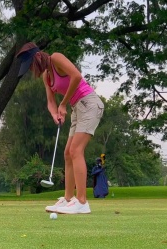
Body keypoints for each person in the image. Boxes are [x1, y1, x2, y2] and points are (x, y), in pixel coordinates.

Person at [16, 42, 104, 214]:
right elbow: (50, 102)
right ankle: (69, 199)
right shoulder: (46, 76)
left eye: (31, 65)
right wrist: (55, 113)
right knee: (67, 153)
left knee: (76, 151)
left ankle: (82, 202)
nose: (32, 69)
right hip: (77, 108)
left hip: (89, 104)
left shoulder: (56, 58)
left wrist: (63, 104)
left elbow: (76, 76)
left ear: (37, 58)